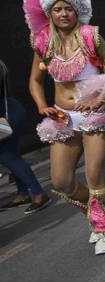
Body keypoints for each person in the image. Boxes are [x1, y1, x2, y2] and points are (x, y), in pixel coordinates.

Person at [24, 0, 105, 254]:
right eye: (58, 9)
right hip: (62, 117)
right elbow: (35, 80)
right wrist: (42, 105)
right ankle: (96, 211)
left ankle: (101, 229)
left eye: (68, 8)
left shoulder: (92, 36)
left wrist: (101, 97)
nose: (64, 14)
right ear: (49, 12)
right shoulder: (42, 42)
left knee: (93, 174)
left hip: (95, 114)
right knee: (61, 182)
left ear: (77, 10)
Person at [0, 60, 51, 214]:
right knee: (11, 155)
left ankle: (38, 194)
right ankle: (23, 193)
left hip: (5, 115)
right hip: (11, 110)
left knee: (8, 156)